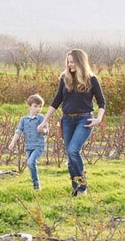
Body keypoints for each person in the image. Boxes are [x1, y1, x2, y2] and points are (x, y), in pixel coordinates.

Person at [40, 48, 105, 195]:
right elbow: (57, 100)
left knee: (73, 150)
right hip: (67, 120)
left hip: (85, 119)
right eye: (68, 62)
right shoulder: (64, 78)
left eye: (72, 62)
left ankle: (82, 186)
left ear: (80, 62)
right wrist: (44, 120)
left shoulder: (91, 79)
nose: (69, 65)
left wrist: (98, 119)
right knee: (70, 157)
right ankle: (76, 189)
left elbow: (102, 102)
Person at [7, 93, 48, 190]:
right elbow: (18, 131)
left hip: (38, 145)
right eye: (35, 106)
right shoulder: (24, 119)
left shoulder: (41, 118)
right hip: (28, 146)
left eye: (40, 107)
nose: (38, 109)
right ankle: (35, 184)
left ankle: (36, 184)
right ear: (29, 106)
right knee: (30, 165)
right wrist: (12, 142)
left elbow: (46, 131)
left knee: (30, 162)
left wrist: (42, 130)